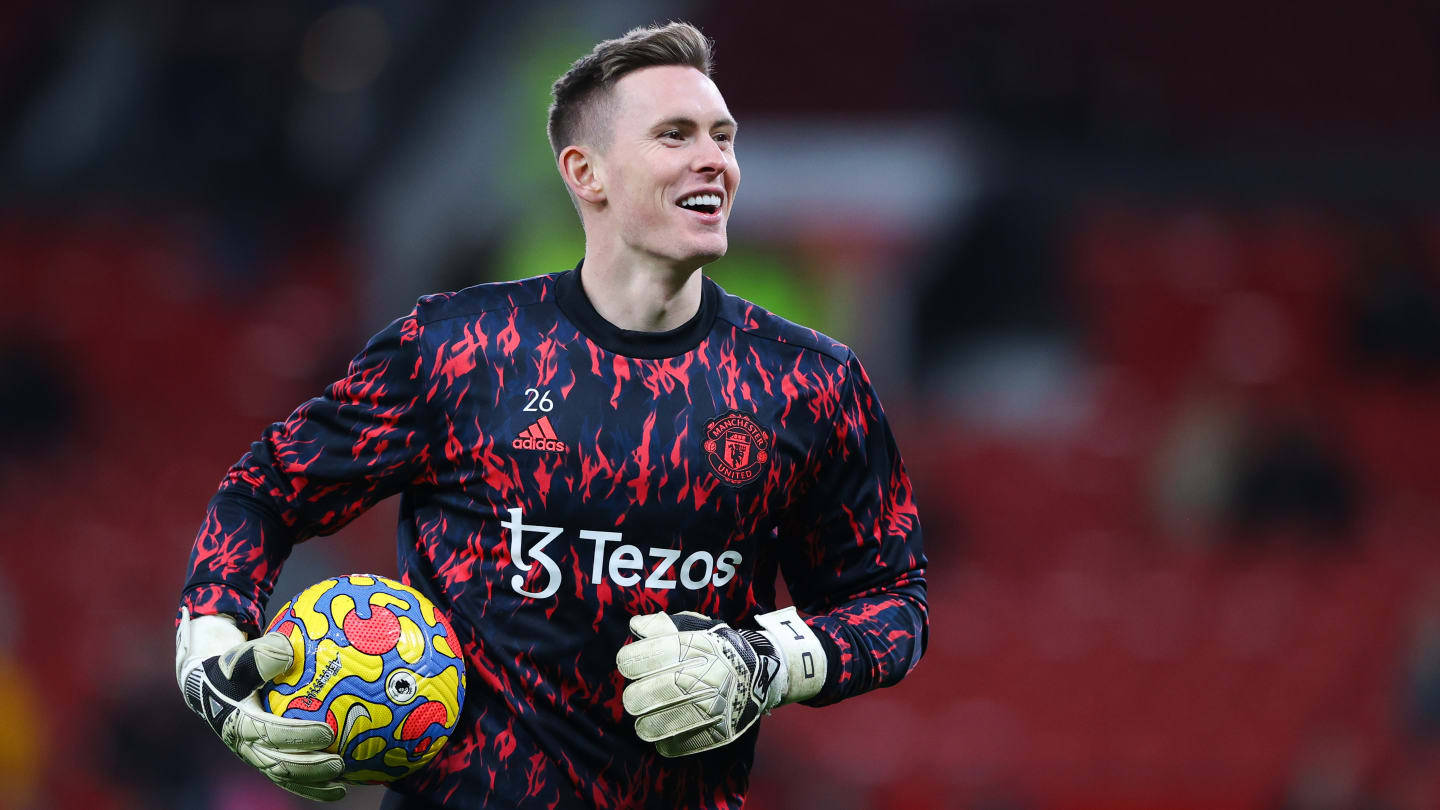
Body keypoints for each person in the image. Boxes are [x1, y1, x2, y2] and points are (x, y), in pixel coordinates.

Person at [174, 21, 928, 809]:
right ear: (585, 172)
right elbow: (263, 492)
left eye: (723, 137)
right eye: (675, 136)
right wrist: (211, 655)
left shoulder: (809, 381)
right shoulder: (461, 348)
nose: (715, 160)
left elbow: (891, 603)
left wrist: (765, 661)